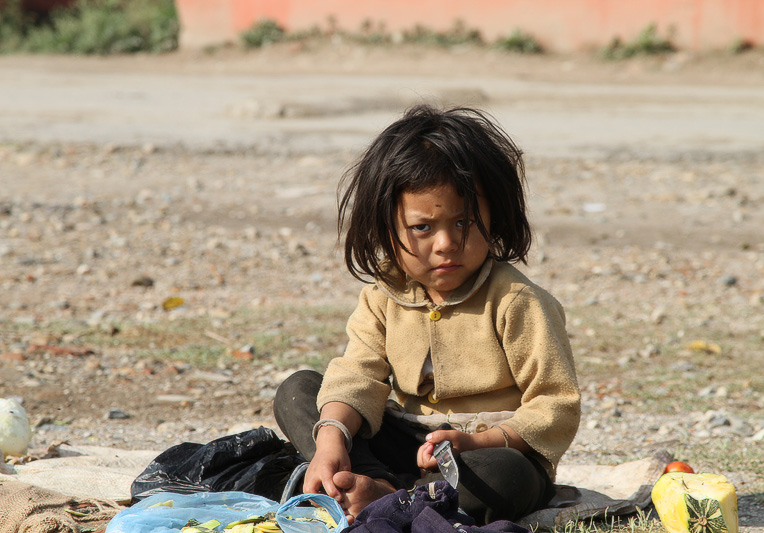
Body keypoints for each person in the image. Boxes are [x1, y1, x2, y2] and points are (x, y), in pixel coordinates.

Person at [273, 104, 580, 526]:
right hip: (403, 440)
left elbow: (555, 404)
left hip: (489, 453)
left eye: (465, 222)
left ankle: (389, 497)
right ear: (386, 230)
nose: (446, 244)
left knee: (505, 479)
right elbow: (358, 374)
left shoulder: (518, 300)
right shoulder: (383, 296)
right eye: (422, 228)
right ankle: (377, 483)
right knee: (300, 390)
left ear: (495, 214)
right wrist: (330, 441)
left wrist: (476, 442)